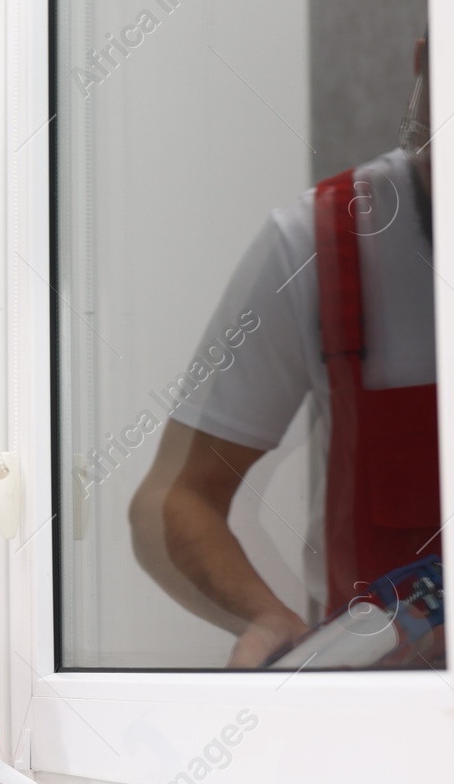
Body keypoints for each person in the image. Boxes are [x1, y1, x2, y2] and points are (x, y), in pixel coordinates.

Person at [130, 33, 438, 669]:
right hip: (384, 719)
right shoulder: (324, 242)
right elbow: (172, 501)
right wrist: (267, 620)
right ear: (421, 62)